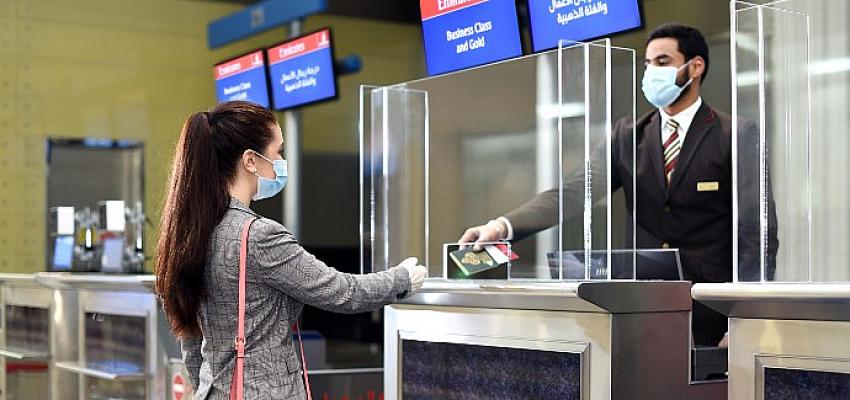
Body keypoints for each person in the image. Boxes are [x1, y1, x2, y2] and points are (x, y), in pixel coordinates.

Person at [459, 23, 777, 347]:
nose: (651, 72)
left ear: (695, 67)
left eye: (663, 62)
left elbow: (757, 234)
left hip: (711, 319)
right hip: (640, 314)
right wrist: (501, 227)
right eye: (648, 63)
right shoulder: (627, 137)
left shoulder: (735, 135)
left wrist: (744, 321)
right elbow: (573, 192)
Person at [154, 101, 427, 399]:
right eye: (278, 151)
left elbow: (190, 338)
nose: (282, 161)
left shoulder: (191, 233)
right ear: (250, 160)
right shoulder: (258, 236)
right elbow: (342, 291)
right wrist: (402, 278)